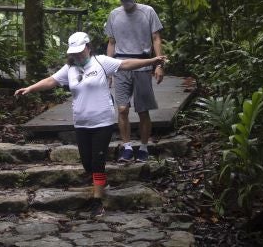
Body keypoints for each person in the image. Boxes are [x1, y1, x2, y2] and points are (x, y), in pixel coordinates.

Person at [14, 31, 166, 214]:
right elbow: (51, 80)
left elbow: (126, 64)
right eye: (74, 52)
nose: (77, 55)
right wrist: (30, 88)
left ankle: (97, 201)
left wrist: (152, 61)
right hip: (81, 123)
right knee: (87, 163)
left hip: (102, 121)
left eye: (80, 51)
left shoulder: (101, 61)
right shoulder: (69, 68)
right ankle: (101, 183)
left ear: (88, 47)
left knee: (97, 161)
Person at [105, 0, 164, 163]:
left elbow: (156, 38)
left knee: (143, 110)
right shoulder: (114, 14)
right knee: (122, 109)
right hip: (120, 64)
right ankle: (127, 146)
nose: (126, 2)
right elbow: (111, 42)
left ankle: (144, 147)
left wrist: (159, 64)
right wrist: (108, 70)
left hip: (143, 63)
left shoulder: (148, 12)